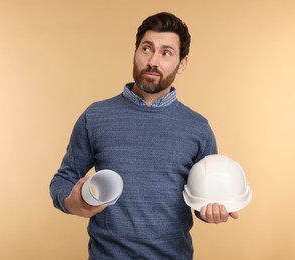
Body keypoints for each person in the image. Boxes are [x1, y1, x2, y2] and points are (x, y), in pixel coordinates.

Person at [50, 12, 239, 259]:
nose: (153, 61)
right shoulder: (96, 116)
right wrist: (71, 202)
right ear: (135, 52)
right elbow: (63, 179)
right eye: (146, 49)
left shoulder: (198, 128)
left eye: (166, 53)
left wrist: (212, 210)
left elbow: (202, 200)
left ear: (182, 63)